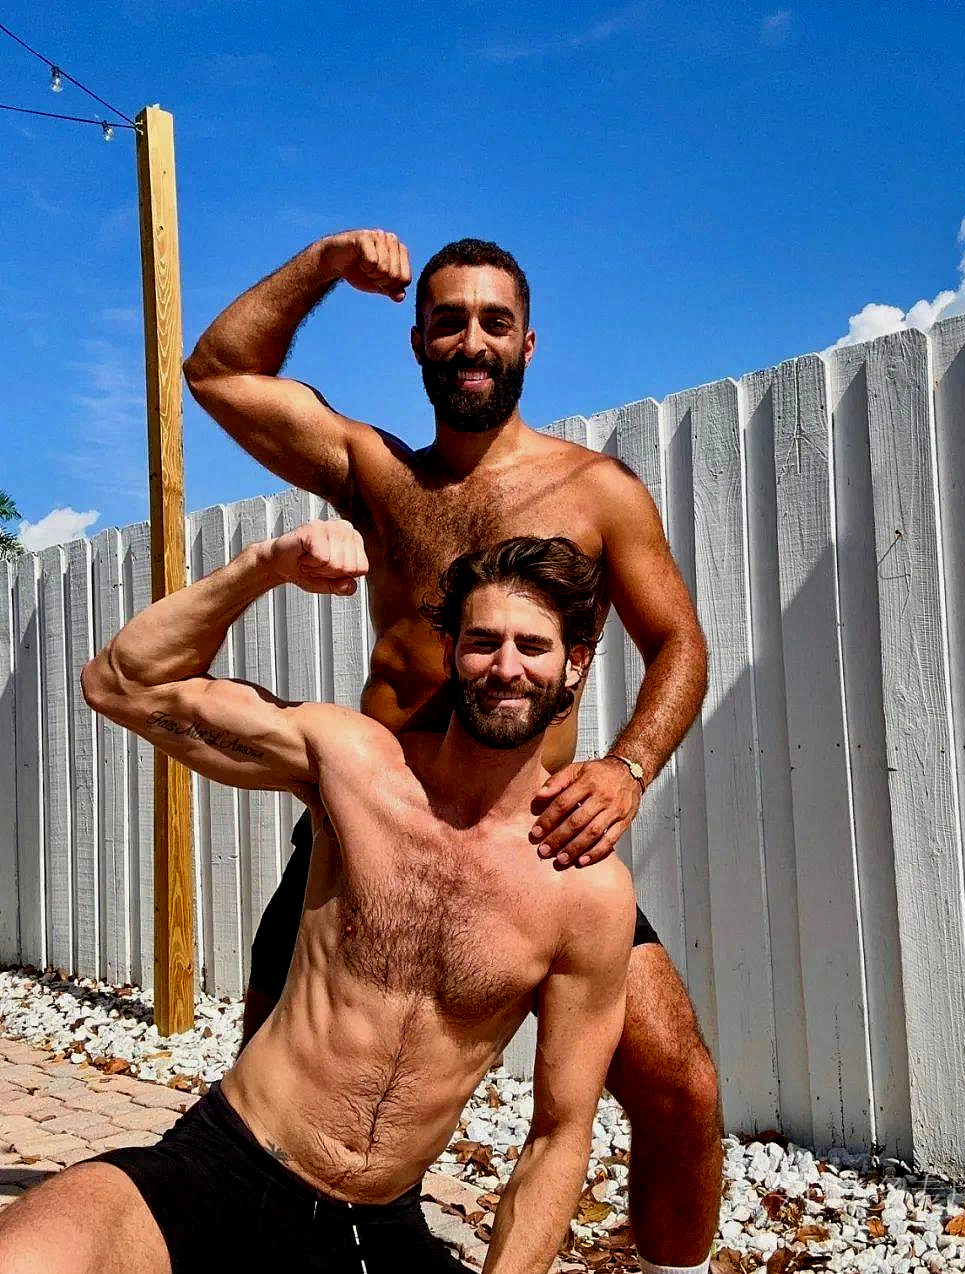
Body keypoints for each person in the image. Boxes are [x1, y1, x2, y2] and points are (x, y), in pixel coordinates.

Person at [183, 230, 721, 1273]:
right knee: (274, 1094)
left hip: (532, 840)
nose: (472, 341)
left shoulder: (597, 492)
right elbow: (219, 373)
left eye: (494, 322)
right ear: (418, 341)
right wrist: (324, 266)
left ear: (528, 343)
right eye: (450, 321)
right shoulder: (377, 473)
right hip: (368, 833)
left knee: (679, 1083)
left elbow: (680, 643)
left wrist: (627, 766)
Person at [0, 525, 636, 1274]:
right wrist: (263, 566)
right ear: (448, 653)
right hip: (225, 1167)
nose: (505, 667)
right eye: (481, 641)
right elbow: (119, 683)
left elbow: (560, 1132)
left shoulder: (587, 892)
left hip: (375, 1230)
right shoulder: (357, 766)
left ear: (574, 665)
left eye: (532, 646)